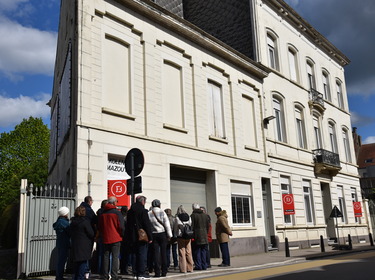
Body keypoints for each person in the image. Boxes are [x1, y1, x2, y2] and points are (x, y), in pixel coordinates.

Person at [125, 195, 153, 280]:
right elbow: (147, 224)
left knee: (134, 254)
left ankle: (135, 273)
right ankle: (141, 273)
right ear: (142, 201)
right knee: (142, 254)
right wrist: (150, 237)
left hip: (132, 236)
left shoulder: (130, 211)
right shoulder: (143, 211)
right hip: (141, 236)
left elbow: (127, 224)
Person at [98, 196, 124, 280]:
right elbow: (121, 226)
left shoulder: (103, 213)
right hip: (116, 237)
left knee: (105, 257)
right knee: (115, 257)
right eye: (116, 201)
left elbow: (100, 226)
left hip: (105, 237)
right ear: (114, 203)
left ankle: (105, 275)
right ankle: (114, 275)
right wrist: (122, 235)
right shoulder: (117, 213)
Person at [69, 206, 95, 280]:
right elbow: (91, 233)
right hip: (84, 245)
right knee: (82, 263)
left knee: (76, 263)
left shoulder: (72, 222)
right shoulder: (85, 222)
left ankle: (75, 277)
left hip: (75, 244)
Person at [148, 199, 172, 277]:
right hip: (162, 234)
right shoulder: (162, 212)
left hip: (154, 234)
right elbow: (167, 224)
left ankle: (157, 272)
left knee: (156, 254)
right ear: (159, 204)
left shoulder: (149, 213)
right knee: (163, 253)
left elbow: (148, 225)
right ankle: (164, 271)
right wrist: (169, 235)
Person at [174, 205, 193, 273]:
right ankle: (190, 268)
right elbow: (190, 224)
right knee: (189, 252)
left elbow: (176, 227)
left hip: (181, 236)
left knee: (182, 252)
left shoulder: (177, 218)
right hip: (188, 236)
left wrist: (175, 235)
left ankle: (183, 269)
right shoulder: (189, 216)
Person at [53, 206, 70, 280]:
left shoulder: (58, 221)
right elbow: (70, 231)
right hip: (64, 243)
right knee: (62, 261)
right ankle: (59, 277)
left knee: (61, 260)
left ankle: (59, 276)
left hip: (60, 243)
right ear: (65, 214)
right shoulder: (64, 222)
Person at [190, 203, 209, 270]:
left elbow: (192, 226)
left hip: (197, 236)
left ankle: (198, 266)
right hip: (204, 235)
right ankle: (204, 265)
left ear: (193, 208)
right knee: (203, 251)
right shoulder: (205, 215)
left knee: (197, 251)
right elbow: (207, 226)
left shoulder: (193, 215)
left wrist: (192, 235)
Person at [96, 199, 108, 276]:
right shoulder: (105, 213)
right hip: (104, 234)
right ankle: (104, 270)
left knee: (100, 253)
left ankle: (99, 269)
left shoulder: (98, 213)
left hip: (99, 234)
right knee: (105, 253)